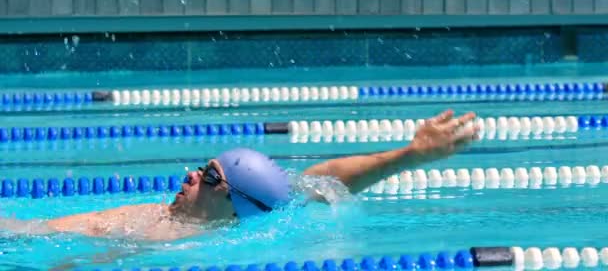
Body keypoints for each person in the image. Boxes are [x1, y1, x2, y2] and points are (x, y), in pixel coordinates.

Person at [3, 110, 477, 241]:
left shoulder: (164, 239)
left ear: (233, 200)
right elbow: (322, 178)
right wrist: (411, 155)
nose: (190, 175)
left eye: (208, 176)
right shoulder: (257, 211)